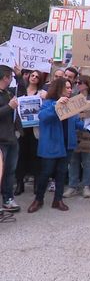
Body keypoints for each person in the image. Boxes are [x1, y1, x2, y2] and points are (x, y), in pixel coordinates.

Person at [27, 78, 84, 213]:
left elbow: (76, 122)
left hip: (67, 145)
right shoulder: (48, 103)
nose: (70, 90)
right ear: (59, 88)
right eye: (68, 87)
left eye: (71, 87)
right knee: (45, 173)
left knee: (61, 173)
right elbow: (43, 117)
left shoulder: (71, 104)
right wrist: (56, 106)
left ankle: (58, 200)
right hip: (51, 145)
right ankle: (38, 199)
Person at [63, 76, 90, 199]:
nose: (77, 84)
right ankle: (72, 186)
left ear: (87, 84)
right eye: (77, 82)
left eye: (80, 82)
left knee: (87, 160)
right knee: (74, 160)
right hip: (74, 131)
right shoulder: (73, 97)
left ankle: (86, 186)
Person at [14, 70, 46, 196]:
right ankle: (19, 184)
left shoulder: (42, 93)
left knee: (35, 157)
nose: (34, 78)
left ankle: (36, 185)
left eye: (37, 77)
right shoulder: (21, 90)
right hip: (21, 130)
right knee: (20, 156)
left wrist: (46, 97)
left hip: (35, 130)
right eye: (32, 75)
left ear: (40, 80)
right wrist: (18, 74)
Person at [0, 65, 22, 213]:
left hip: (12, 138)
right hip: (1, 140)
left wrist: (20, 76)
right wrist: (9, 107)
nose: (12, 80)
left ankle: (8, 199)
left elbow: (22, 92)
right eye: (12, 77)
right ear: (5, 77)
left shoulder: (8, 92)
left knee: (10, 171)